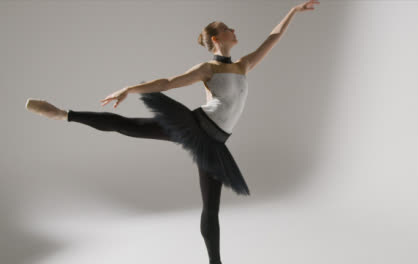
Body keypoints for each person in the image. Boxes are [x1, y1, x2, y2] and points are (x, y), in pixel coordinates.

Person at [24, 1, 319, 263]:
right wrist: (129, 88)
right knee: (130, 126)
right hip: (196, 125)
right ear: (217, 39)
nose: (234, 29)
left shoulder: (243, 65)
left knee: (211, 208)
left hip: (215, 143)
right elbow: (167, 82)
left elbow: (273, 38)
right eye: (228, 28)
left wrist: (292, 11)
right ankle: (63, 114)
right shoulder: (208, 68)